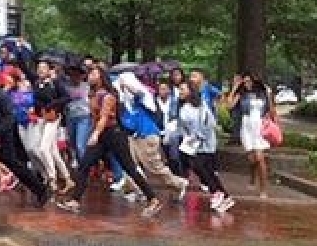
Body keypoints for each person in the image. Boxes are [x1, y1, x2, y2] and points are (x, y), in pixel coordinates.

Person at [56, 67, 163, 217]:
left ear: (101, 77)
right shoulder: (92, 94)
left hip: (114, 134)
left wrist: (95, 134)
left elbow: (104, 117)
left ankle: (153, 199)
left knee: (130, 168)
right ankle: (75, 200)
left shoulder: (108, 96)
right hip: (102, 135)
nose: (90, 76)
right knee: (85, 164)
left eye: (94, 73)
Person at [0, 66, 50, 208]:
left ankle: (41, 190)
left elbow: (10, 117)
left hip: (1, 137)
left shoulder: (1, 95)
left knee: (14, 165)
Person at [116, 72, 189, 202]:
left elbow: (140, 94)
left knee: (154, 167)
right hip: (133, 135)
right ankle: (136, 189)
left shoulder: (142, 95)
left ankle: (179, 183)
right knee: (129, 164)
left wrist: (127, 85)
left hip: (147, 134)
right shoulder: (123, 100)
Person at [178, 81, 235, 213]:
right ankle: (225, 196)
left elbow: (209, 123)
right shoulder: (184, 107)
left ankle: (217, 192)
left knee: (200, 168)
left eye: (182, 89)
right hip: (194, 143)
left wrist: (198, 136)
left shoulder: (200, 106)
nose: (180, 91)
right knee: (206, 170)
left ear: (190, 91)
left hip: (204, 142)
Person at [226, 72, 274, 198]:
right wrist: (234, 88)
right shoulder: (241, 94)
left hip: (260, 126)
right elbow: (229, 105)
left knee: (260, 158)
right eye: (244, 81)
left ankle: (263, 189)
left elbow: (272, 110)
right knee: (252, 159)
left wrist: (269, 97)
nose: (247, 84)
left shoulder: (264, 93)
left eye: (249, 81)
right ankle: (252, 176)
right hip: (247, 127)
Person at [33, 61, 73, 194]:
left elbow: (67, 97)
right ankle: (68, 179)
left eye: (43, 68)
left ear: (50, 70)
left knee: (43, 149)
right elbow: (36, 100)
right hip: (43, 117)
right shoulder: (37, 84)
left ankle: (52, 178)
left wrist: (52, 105)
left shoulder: (55, 83)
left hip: (54, 117)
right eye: (39, 68)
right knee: (53, 152)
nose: (40, 70)